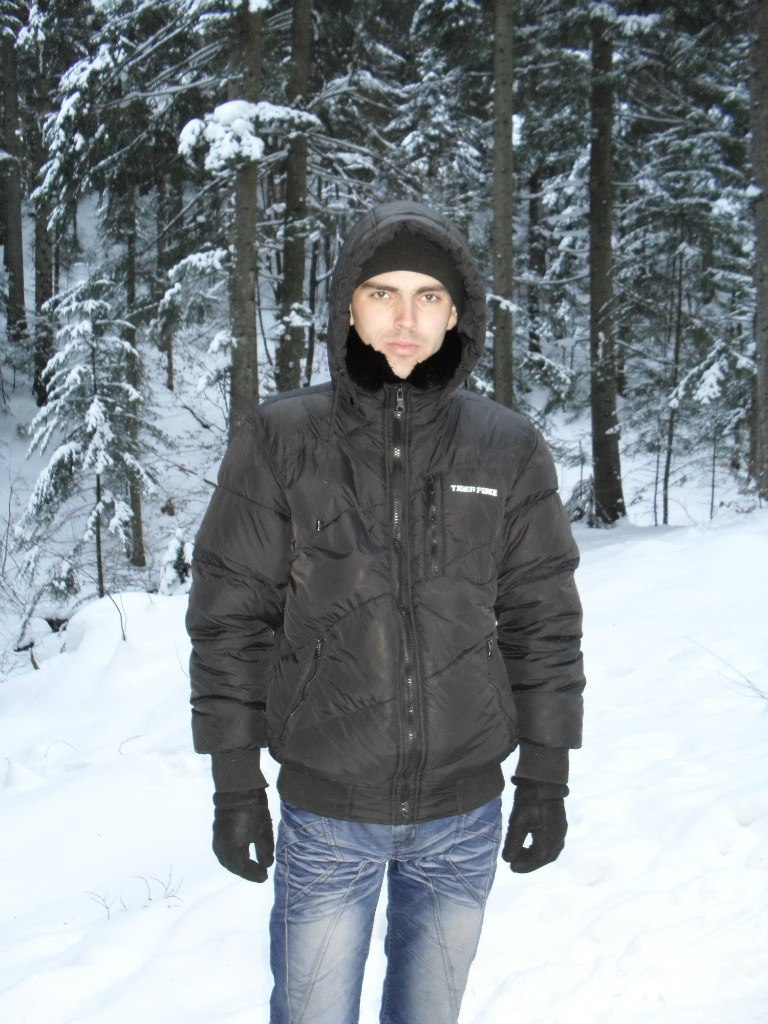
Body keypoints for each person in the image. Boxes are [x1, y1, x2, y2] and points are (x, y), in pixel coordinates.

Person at [186, 200, 585, 1024]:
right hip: (328, 814)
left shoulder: (506, 447)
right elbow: (231, 619)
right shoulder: (281, 439)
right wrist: (235, 783)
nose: (406, 319)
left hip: (463, 816)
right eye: (382, 294)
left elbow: (542, 619)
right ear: (348, 306)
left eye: (429, 297)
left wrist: (546, 774)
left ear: (457, 314)